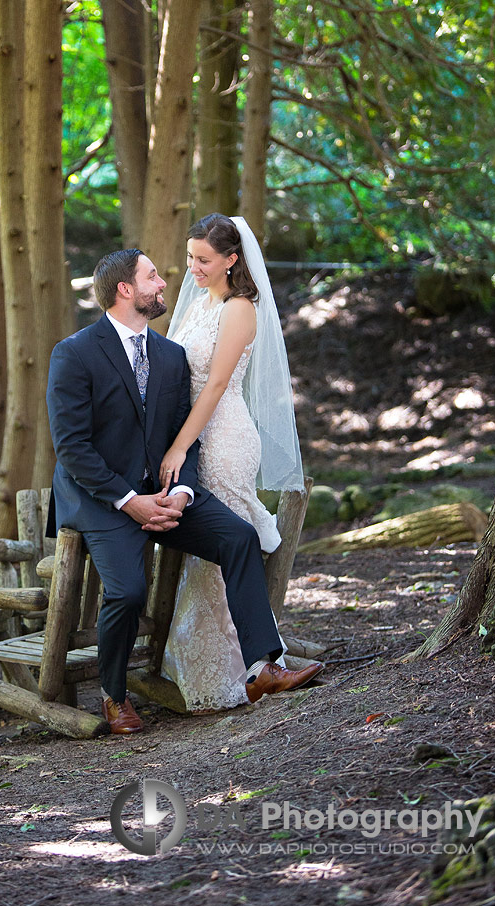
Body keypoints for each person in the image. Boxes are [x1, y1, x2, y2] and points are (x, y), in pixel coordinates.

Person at [46, 246, 322, 735]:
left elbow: (183, 439)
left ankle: (263, 669)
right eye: (152, 277)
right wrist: (129, 501)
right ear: (125, 290)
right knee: (129, 591)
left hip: (166, 494)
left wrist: (184, 493)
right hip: (101, 499)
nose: (163, 283)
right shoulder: (74, 352)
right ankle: (114, 695)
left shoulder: (171, 357)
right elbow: (72, 448)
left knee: (239, 537)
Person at [160, 213, 304, 712]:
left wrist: (179, 447)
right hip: (194, 432)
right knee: (208, 556)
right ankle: (218, 664)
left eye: (202, 260)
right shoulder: (202, 303)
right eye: (189, 258)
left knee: (224, 550)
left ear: (231, 259)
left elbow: (217, 384)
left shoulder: (241, 308)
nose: (193, 268)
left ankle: (246, 669)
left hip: (224, 435)